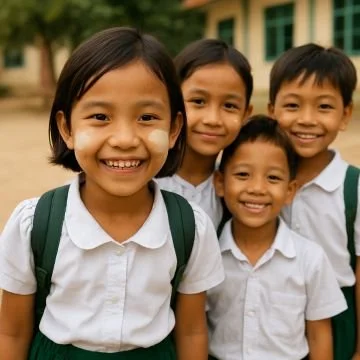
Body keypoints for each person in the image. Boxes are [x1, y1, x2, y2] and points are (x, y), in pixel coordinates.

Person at [0, 27, 225, 360]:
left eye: (147, 117)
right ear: (67, 128)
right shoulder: (34, 224)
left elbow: (192, 330)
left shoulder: (190, 228)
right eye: (100, 117)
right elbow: (11, 331)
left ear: (174, 129)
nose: (124, 138)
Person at [207, 115, 347, 360]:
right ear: (220, 182)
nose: (257, 188)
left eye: (273, 178)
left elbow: (318, 334)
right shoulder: (207, 255)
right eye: (242, 175)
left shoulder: (310, 258)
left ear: (290, 191)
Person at [268, 43, 360, 360]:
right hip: (272, 316)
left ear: (345, 114)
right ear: (272, 111)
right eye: (292, 106)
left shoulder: (355, 188)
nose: (307, 120)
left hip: (338, 320)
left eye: (324, 107)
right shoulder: (258, 182)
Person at [156, 39, 253, 228]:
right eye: (198, 101)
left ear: (245, 114)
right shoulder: (143, 181)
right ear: (172, 101)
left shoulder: (238, 190)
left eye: (229, 106)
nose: (212, 119)